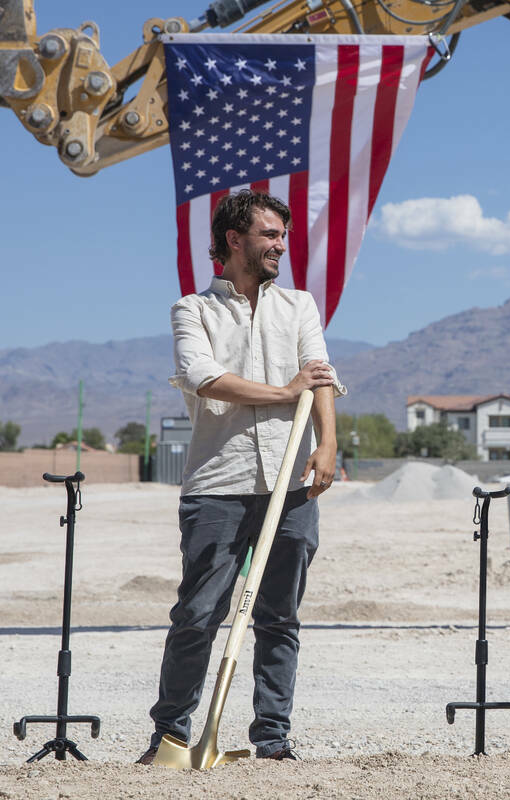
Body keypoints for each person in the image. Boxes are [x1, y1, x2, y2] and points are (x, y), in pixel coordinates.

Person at [138, 190, 346, 764]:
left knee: (279, 618)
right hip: (217, 485)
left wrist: (327, 443)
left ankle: (272, 740)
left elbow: (321, 375)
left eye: (283, 235)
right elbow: (204, 377)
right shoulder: (192, 310)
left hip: (292, 485)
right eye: (270, 235)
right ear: (235, 240)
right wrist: (284, 391)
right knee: (198, 615)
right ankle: (171, 737)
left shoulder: (299, 306)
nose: (282, 245)